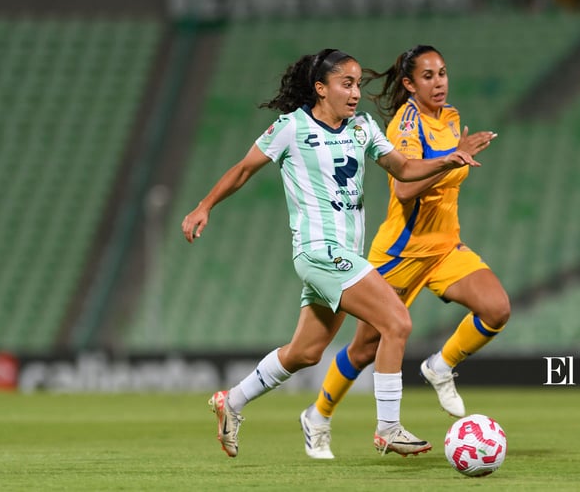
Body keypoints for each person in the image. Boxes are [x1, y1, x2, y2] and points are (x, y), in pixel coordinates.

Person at [181, 48, 495, 459]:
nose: (355, 94)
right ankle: (388, 428)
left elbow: (403, 169)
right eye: (346, 85)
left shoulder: (362, 127)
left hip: (345, 254)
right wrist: (204, 205)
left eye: (357, 86)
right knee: (397, 322)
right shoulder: (291, 128)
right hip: (317, 252)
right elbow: (243, 169)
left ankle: (232, 401)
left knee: (305, 353)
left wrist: (448, 159)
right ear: (320, 88)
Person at [298, 45, 510, 460]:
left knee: (496, 308)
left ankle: (440, 366)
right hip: (399, 253)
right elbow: (404, 188)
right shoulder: (405, 124)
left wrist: (456, 153)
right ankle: (317, 415)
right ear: (410, 84)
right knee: (362, 350)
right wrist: (453, 160)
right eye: (427, 76)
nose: (439, 82)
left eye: (443, 73)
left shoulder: (450, 118)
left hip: (445, 246)